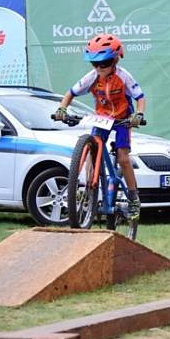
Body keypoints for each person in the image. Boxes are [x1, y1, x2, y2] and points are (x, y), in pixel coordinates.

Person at [54, 35, 145, 221]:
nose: (99, 68)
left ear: (116, 59)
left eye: (103, 63)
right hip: (102, 118)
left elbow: (140, 98)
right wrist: (61, 109)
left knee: (123, 157)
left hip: (122, 119)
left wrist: (139, 114)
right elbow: (70, 93)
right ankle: (88, 188)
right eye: (94, 64)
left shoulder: (123, 76)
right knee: (90, 150)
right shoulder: (92, 77)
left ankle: (134, 198)